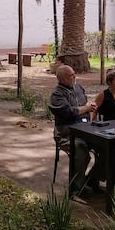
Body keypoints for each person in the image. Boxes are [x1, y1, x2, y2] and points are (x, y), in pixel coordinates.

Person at [48, 65, 99, 195]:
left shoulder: (78, 88)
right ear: (62, 79)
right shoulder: (56, 94)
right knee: (81, 151)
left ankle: (92, 179)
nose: (74, 76)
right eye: (71, 75)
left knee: (106, 148)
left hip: (86, 130)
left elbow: (85, 106)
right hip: (66, 134)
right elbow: (68, 112)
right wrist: (86, 108)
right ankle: (77, 187)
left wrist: (90, 107)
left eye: (74, 74)